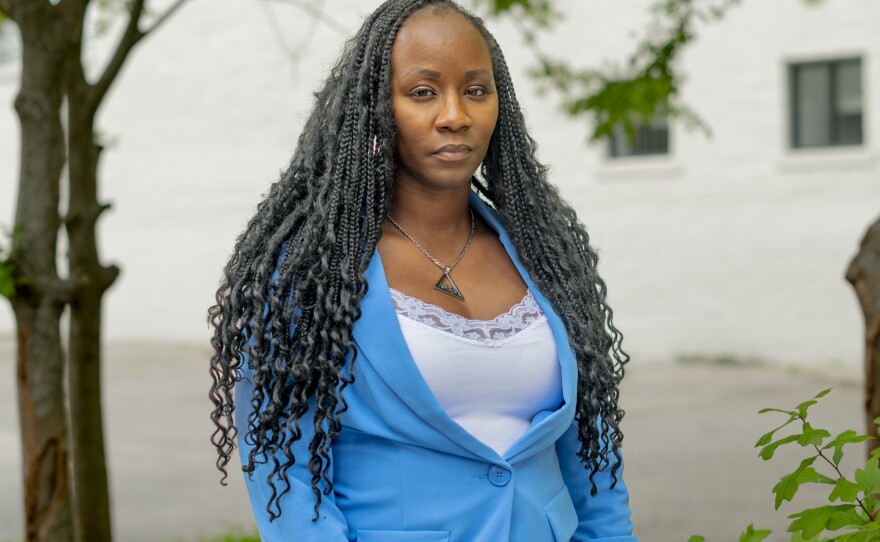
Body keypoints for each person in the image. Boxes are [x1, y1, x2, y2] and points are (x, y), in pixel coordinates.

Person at [208, 1, 636, 540]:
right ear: (375, 108)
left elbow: (593, 461)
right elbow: (284, 472)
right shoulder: (311, 273)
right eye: (423, 92)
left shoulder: (545, 256)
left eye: (476, 91)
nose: (455, 114)